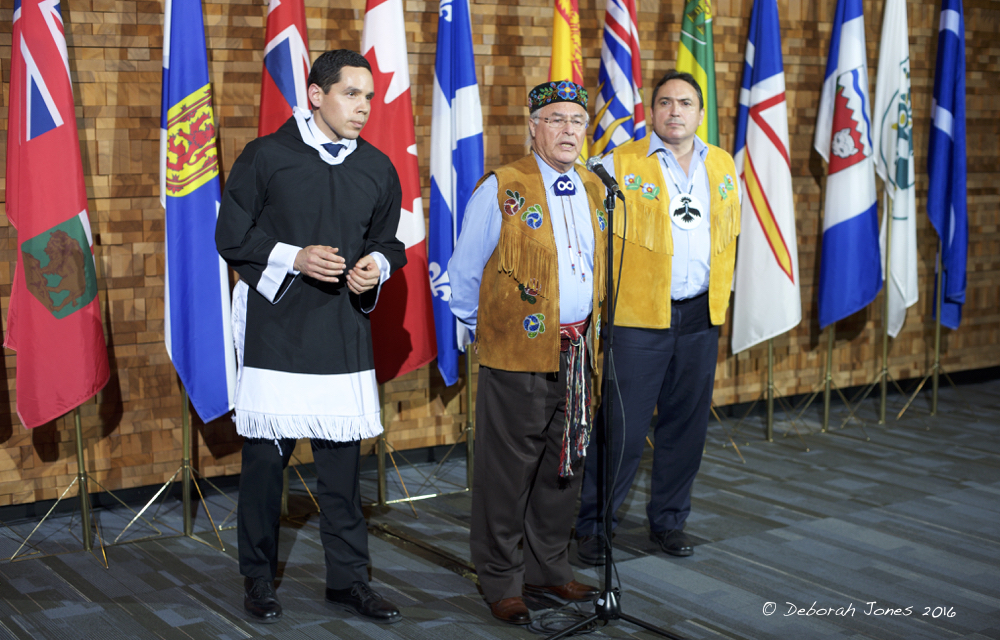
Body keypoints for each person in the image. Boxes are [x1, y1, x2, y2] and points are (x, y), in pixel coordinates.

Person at [216, 49, 405, 625]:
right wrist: (293, 256)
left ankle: (348, 582)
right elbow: (230, 234)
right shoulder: (267, 156)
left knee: (343, 474)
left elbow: (389, 243)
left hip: (342, 331)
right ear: (317, 95)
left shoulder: (378, 167)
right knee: (264, 469)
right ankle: (258, 579)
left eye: (369, 97)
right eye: (352, 94)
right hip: (277, 328)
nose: (364, 107)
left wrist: (376, 265)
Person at [448, 81, 607, 626]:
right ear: (533, 125)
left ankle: (548, 568)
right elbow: (463, 275)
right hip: (516, 354)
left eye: (577, 122)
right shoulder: (503, 186)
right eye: (556, 119)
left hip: (580, 350)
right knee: (506, 471)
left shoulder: (593, 186)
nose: (568, 130)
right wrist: (490, 332)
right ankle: (500, 578)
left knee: (565, 465)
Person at [574, 70, 740, 565]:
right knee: (621, 429)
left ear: (700, 113)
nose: (675, 111)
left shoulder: (724, 165)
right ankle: (593, 527)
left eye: (685, 103)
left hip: (700, 317)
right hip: (639, 318)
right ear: (652, 110)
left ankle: (669, 522)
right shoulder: (617, 164)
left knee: (686, 427)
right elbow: (590, 240)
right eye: (665, 102)